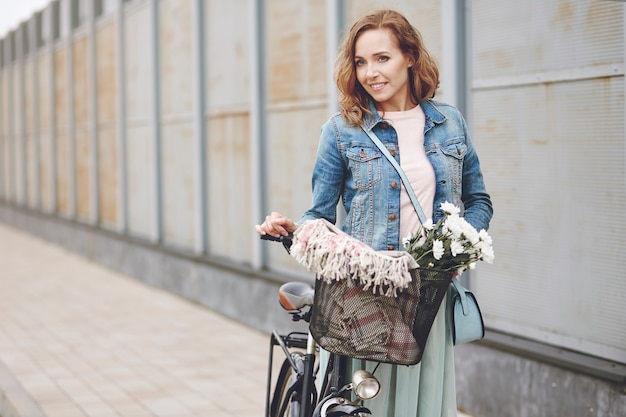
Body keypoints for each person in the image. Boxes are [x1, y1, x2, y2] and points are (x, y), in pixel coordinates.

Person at [256, 8, 493, 417]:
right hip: (363, 299)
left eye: (382, 58)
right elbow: (320, 214)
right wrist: (295, 229)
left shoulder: (449, 123)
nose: (370, 73)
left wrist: (455, 250)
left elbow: (479, 202)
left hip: (424, 299)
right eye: (361, 62)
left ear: (410, 56)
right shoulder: (341, 130)